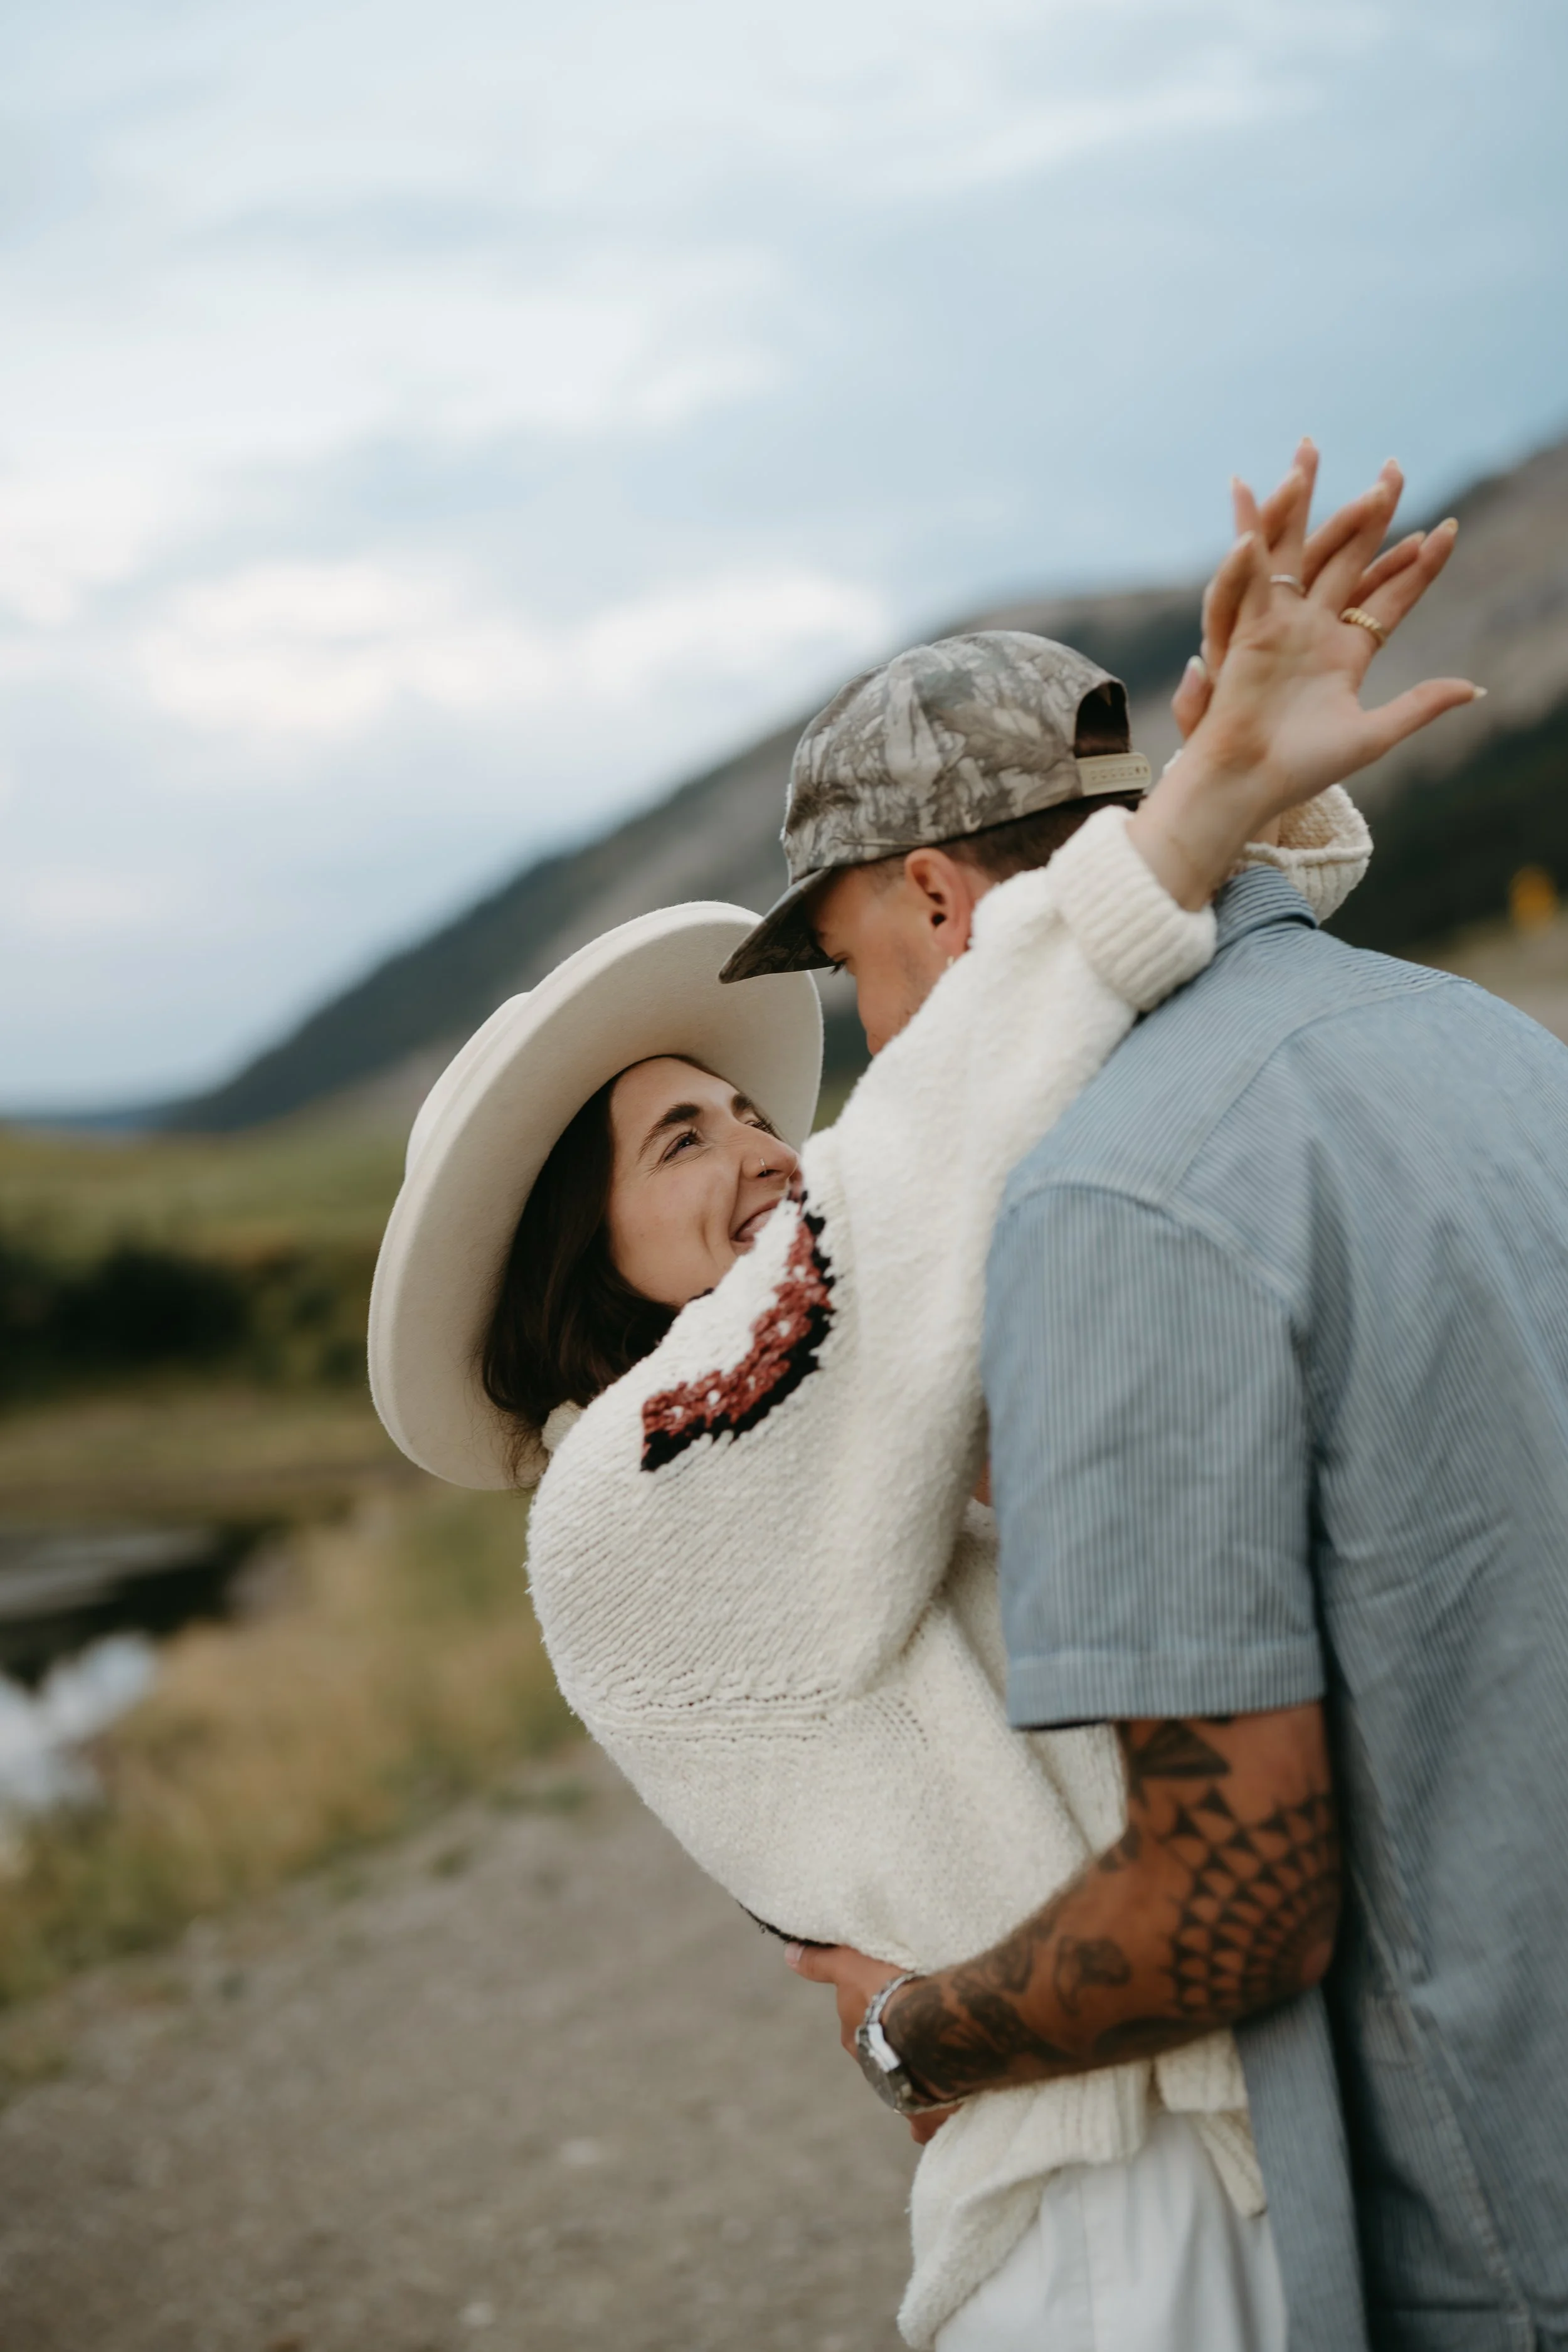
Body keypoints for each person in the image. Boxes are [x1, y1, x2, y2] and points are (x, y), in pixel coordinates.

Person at [367, 452, 1474, 2349]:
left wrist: (1228, 803)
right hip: (1092, 2179)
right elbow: (931, 1149)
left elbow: (1026, 1075)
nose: (774, 1154)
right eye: (677, 1143)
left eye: (751, 1116)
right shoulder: (630, 1498)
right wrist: (1190, 803)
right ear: (580, 1257)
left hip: (1169, 2114)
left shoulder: (813, 1439)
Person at [784, 470, 1568, 2352]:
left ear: (933, 899)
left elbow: (1231, 1906)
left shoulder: (1108, 1202)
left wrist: (908, 2026)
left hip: (1495, 2239)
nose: (871, 1041)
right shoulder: (1485, 1041)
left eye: (846, 968)